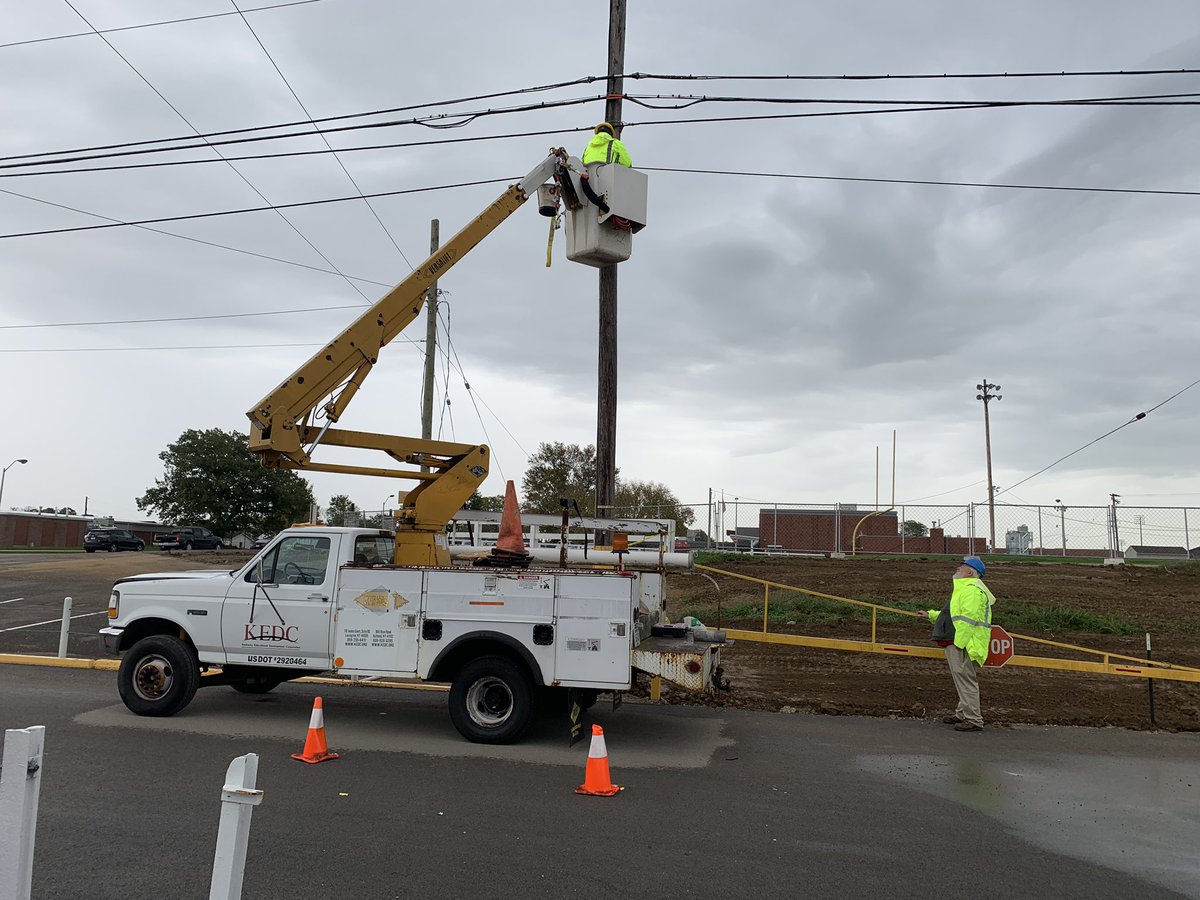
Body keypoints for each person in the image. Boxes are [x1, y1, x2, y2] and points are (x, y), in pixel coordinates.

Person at [921, 556, 996, 732]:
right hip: (957, 641)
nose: (958, 568)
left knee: (965, 679)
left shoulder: (971, 591)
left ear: (970, 572)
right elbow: (953, 614)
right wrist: (931, 615)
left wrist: (959, 643)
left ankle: (973, 719)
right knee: (961, 678)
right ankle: (963, 714)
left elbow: (968, 620)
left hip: (961, 643)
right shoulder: (965, 589)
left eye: (962, 566)